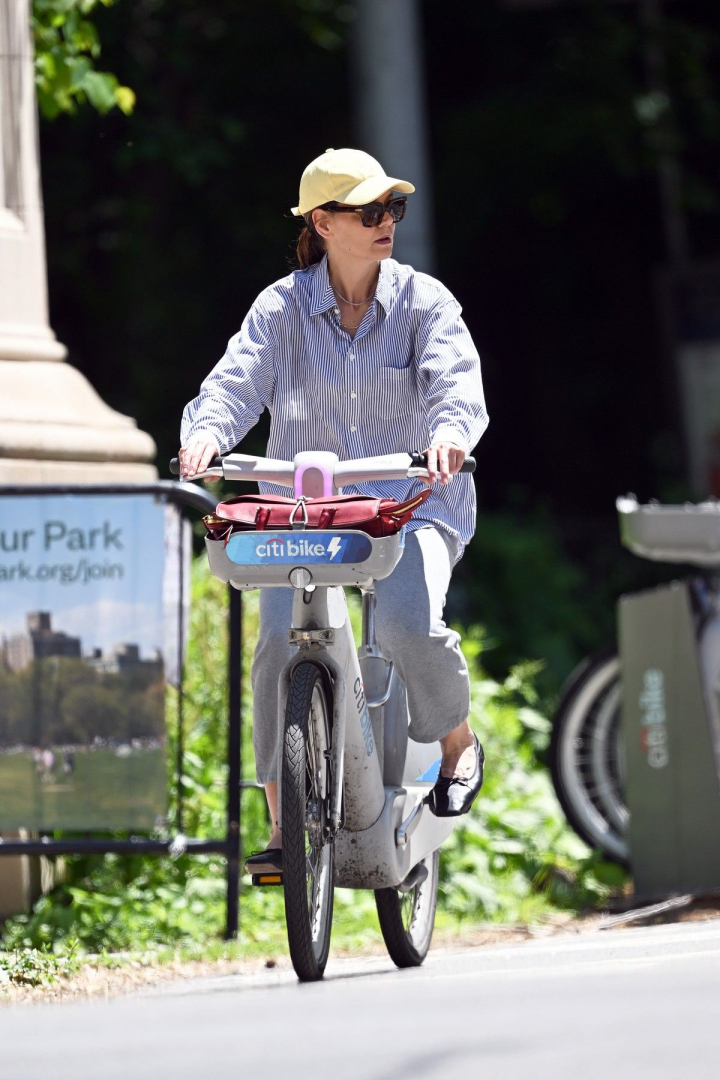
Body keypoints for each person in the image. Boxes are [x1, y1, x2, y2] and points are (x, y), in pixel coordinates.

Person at [179, 148, 489, 875]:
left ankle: (456, 744)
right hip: (311, 516)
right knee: (273, 650)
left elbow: (455, 384)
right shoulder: (281, 309)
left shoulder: (424, 303)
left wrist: (447, 434)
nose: (387, 223)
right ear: (322, 223)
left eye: (393, 210)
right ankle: (285, 829)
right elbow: (234, 384)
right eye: (369, 211)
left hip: (411, 504)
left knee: (410, 623)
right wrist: (204, 435)